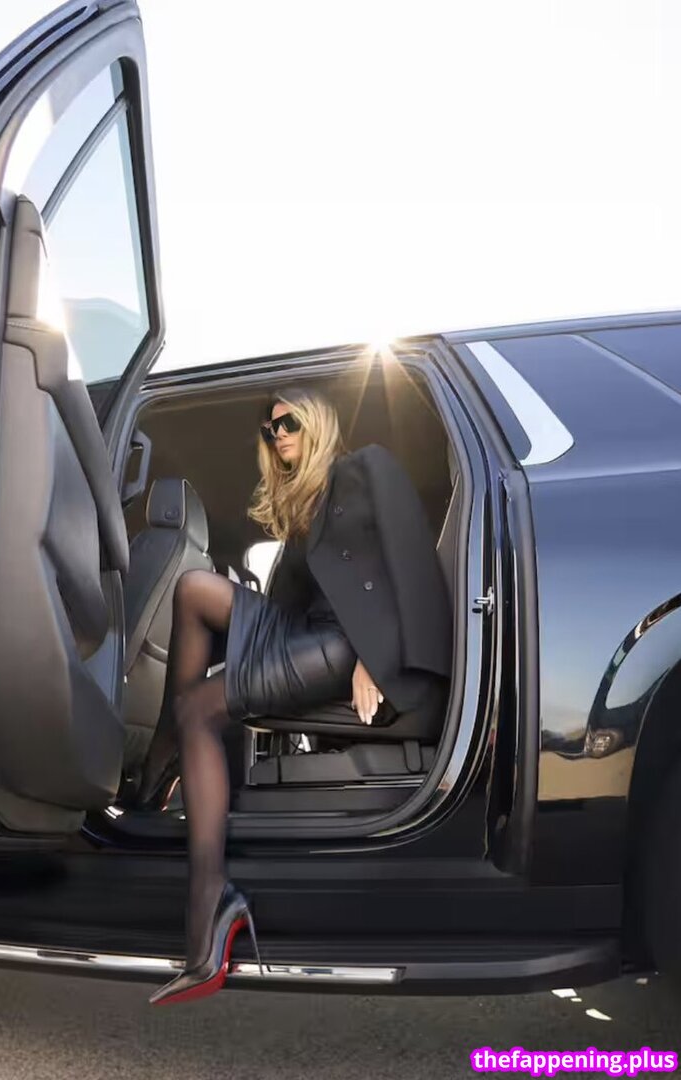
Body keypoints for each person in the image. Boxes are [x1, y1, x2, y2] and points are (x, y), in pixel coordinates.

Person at [135, 386, 452, 1006]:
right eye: (270, 427)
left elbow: (409, 564)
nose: (278, 433)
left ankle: (209, 898)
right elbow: (290, 600)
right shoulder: (306, 502)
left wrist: (373, 658)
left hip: (342, 643)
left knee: (197, 709)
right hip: (304, 632)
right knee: (194, 588)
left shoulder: (368, 467)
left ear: (317, 420)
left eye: (289, 422)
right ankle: (168, 750)